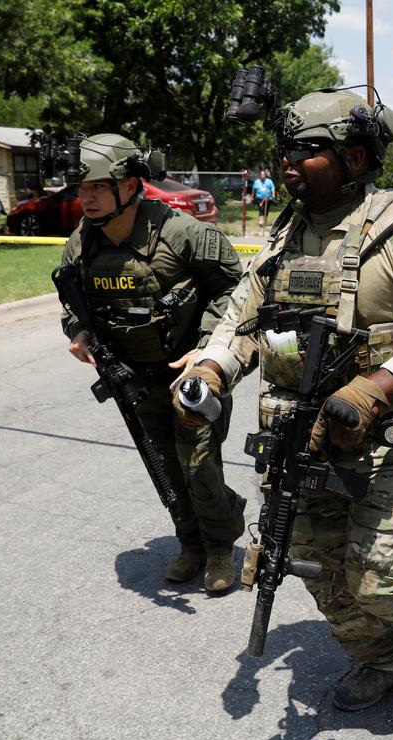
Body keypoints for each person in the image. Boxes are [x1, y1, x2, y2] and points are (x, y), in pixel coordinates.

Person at [175, 90, 393, 709]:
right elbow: (244, 321)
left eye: (307, 151)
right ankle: (386, 659)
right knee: (321, 571)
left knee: (383, 581)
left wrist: (374, 391)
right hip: (301, 442)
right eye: (285, 150)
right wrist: (209, 371)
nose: (288, 162)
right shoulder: (285, 236)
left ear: (355, 155)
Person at [58, 133, 246, 592]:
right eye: (82, 188)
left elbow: (234, 290)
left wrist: (206, 347)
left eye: (98, 186)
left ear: (129, 184)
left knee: (199, 462)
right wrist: (77, 332)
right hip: (133, 378)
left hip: (191, 373)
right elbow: (70, 301)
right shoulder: (81, 245)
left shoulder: (183, 232)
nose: (87, 197)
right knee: (162, 463)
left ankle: (220, 547)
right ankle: (192, 543)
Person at [252, 168, 277, 236]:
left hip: (268, 199)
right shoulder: (257, 181)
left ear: (265, 175)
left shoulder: (269, 181)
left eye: (264, 174)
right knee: (261, 209)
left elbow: (272, 187)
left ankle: (265, 221)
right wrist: (252, 196)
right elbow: (253, 189)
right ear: (260, 175)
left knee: (266, 211)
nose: (263, 175)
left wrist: (273, 194)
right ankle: (261, 221)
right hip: (259, 198)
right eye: (261, 174)